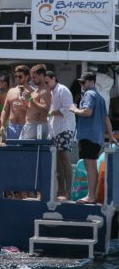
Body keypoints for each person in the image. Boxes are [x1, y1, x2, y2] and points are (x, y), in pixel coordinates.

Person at [70, 71, 117, 203]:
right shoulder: (100, 97)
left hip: (88, 136)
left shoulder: (89, 94)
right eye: (80, 82)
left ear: (92, 82)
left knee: (89, 165)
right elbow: (106, 118)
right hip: (96, 137)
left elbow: (87, 112)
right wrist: (111, 136)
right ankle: (93, 195)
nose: (82, 85)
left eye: (83, 82)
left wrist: (74, 109)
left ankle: (91, 196)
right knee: (92, 164)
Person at [45, 71, 76, 199]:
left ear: (54, 79)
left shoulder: (63, 90)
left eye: (47, 82)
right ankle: (61, 191)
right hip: (55, 131)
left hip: (65, 129)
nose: (46, 85)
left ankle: (68, 192)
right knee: (58, 162)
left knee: (65, 160)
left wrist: (51, 113)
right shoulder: (51, 92)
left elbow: (68, 109)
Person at [19, 64, 51, 140]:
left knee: (27, 150)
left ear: (42, 76)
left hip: (36, 126)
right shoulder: (36, 91)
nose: (32, 80)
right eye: (32, 77)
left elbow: (45, 109)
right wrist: (23, 99)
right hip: (31, 126)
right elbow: (28, 109)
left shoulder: (44, 91)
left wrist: (30, 99)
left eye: (34, 77)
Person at [0, 65, 31, 141]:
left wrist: (24, 105)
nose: (17, 78)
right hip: (11, 127)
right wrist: (2, 124)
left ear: (26, 77)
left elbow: (35, 112)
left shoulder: (32, 91)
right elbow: (5, 110)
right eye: (15, 76)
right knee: (12, 151)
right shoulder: (11, 91)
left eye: (20, 76)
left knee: (25, 152)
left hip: (26, 127)